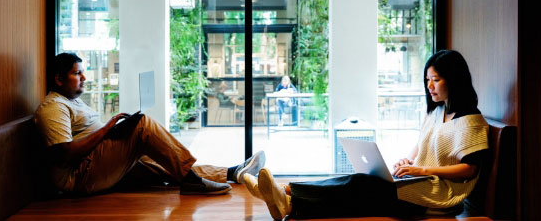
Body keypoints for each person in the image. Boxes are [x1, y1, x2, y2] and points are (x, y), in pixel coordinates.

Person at [242, 50, 489, 220]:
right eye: (427, 79)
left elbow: (470, 169)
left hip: (440, 195)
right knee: (360, 183)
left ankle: (286, 195)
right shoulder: (437, 113)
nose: (429, 86)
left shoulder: (469, 120)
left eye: (435, 79)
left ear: (454, 80)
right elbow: (420, 147)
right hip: (421, 183)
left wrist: (423, 171)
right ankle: (287, 195)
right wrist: (408, 161)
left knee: (361, 187)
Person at [34, 53, 265, 195]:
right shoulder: (53, 107)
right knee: (143, 125)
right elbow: (64, 154)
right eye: (77, 73)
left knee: (161, 160)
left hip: (94, 164)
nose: (84, 78)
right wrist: (108, 128)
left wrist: (113, 130)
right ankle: (192, 181)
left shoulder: (72, 101)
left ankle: (234, 173)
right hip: (80, 178)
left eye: (83, 73)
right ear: (59, 79)